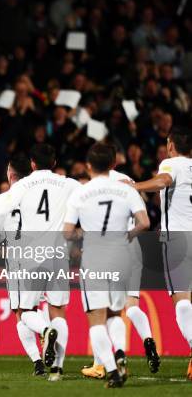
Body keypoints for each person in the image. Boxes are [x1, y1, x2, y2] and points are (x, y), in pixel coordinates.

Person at [0, 143, 80, 381]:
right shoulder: (68, 183)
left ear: (32, 164)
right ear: (54, 162)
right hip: (59, 254)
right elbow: (88, 196)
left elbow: (1, 212)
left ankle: (44, 334)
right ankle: (58, 369)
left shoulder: (23, 186)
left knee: (25, 311)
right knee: (58, 311)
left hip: (29, 255)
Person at [64, 142, 150, 387]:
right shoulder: (127, 189)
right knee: (114, 313)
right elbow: (144, 222)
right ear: (113, 164)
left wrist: (83, 234)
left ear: (89, 166)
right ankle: (121, 354)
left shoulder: (81, 192)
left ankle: (112, 370)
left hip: (95, 256)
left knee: (96, 318)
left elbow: (67, 232)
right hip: (121, 256)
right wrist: (127, 236)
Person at [82, 144, 161, 379]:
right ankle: (148, 339)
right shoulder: (128, 181)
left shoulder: (92, 187)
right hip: (133, 247)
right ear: (114, 162)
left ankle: (101, 364)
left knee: (104, 311)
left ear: (92, 164)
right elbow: (144, 217)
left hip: (108, 250)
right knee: (131, 305)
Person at [126, 127, 192, 381]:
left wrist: (135, 185)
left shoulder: (170, 164)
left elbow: (163, 181)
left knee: (182, 302)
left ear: (171, 146)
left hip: (177, 239)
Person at [0, 154, 45, 375]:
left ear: (10, 174)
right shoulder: (41, 198)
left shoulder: (2, 200)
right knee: (36, 308)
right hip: (46, 255)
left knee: (21, 312)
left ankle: (39, 355)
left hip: (20, 258)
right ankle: (43, 357)